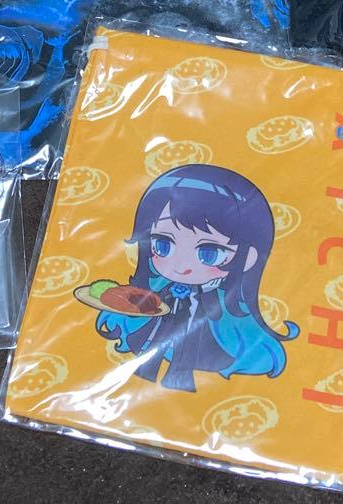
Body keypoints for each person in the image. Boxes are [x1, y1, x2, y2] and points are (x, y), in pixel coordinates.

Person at [95, 164, 298, 393]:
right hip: (163, 319)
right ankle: (145, 369)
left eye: (209, 253)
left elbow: (218, 316)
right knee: (154, 343)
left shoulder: (220, 301)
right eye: (163, 245)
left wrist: (208, 294)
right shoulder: (157, 289)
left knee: (187, 350)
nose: (181, 266)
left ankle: (177, 377)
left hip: (197, 326)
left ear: (249, 257)